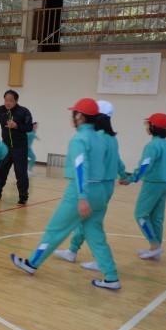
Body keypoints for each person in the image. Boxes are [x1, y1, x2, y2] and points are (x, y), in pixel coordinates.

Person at [10, 98, 121, 290]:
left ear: (80, 116)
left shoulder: (80, 139)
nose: (72, 117)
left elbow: (80, 167)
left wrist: (82, 196)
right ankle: (111, 277)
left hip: (81, 192)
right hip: (100, 192)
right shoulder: (100, 138)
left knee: (55, 229)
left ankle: (32, 263)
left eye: (74, 113)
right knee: (95, 235)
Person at [54, 100, 127, 267]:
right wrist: (123, 175)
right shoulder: (112, 137)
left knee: (91, 223)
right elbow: (118, 161)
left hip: (96, 185)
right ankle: (72, 250)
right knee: (88, 221)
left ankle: (98, 260)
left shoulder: (97, 137)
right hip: (107, 185)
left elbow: (87, 164)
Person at [119, 113, 166, 260]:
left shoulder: (152, 146)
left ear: (153, 126)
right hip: (165, 184)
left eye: (147, 124)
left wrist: (130, 179)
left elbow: (144, 166)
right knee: (157, 217)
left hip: (153, 184)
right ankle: (156, 250)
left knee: (140, 215)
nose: (146, 126)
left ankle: (155, 245)